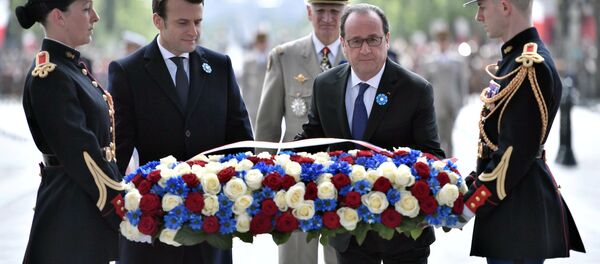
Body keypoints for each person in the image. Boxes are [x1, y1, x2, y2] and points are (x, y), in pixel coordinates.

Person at [295, 4, 445, 264]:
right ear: (343, 44)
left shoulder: (415, 89)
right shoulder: (325, 85)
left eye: (373, 39)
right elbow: (314, 138)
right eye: (356, 41)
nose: (365, 49)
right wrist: (274, 160)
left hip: (404, 231)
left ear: (387, 39)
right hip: (349, 231)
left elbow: (431, 155)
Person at [108, 0, 253, 263]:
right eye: (183, 23)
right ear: (158, 21)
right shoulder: (128, 72)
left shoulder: (220, 67)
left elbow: (242, 142)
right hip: (153, 233)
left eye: (198, 22)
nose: (194, 32)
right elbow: (118, 154)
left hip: (211, 232)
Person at [460, 0, 586, 263]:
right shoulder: (514, 59)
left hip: (518, 216)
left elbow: (511, 156)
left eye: (483, 7)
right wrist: (466, 186)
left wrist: (469, 206)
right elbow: (495, 142)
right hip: (510, 213)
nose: (478, 16)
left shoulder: (530, 65)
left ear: (505, 7)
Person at [15, 0, 123, 263]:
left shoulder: (71, 66)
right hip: (70, 212)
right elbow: (82, 152)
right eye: (86, 9)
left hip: (84, 207)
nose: (95, 17)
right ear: (58, 17)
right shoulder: (50, 75)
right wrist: (121, 204)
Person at [254, 1, 348, 263]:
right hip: (295, 181)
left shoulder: (359, 53)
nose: (327, 18)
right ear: (309, 12)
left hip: (347, 181)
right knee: (296, 257)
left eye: (334, 12)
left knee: (343, 256)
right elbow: (268, 127)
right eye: (320, 11)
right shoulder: (285, 56)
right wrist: (264, 178)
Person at [420, 25, 469, 156]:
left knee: (450, 136)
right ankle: (441, 164)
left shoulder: (457, 60)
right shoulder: (429, 61)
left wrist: (462, 101)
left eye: (444, 40)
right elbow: (424, 84)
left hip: (453, 104)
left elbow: (462, 83)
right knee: (438, 137)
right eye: (440, 40)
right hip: (436, 104)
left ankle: (450, 162)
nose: (442, 43)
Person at [239, 31, 269, 132]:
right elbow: (245, 83)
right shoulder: (248, 61)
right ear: (256, 44)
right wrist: (245, 102)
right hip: (254, 102)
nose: (262, 45)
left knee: (268, 129)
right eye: (260, 43)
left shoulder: (271, 59)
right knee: (256, 129)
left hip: (268, 100)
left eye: (264, 42)